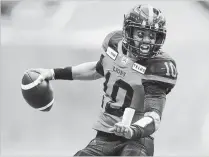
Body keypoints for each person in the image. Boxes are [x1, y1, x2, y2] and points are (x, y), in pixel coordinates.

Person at [32, 4, 178, 156]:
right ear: (129, 31)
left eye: (151, 36)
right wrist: (52, 73)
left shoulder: (158, 66)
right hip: (105, 137)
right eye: (141, 34)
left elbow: (154, 118)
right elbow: (96, 69)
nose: (146, 41)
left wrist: (132, 130)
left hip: (136, 140)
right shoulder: (115, 44)